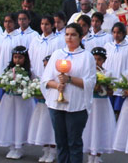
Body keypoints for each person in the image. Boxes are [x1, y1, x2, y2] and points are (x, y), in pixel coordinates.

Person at [41, 24, 97, 163]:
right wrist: (57, 85)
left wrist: (70, 79)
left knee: (74, 142)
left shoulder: (86, 56)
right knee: (61, 142)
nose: (69, 37)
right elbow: (45, 80)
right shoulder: (57, 54)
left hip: (76, 105)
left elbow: (90, 83)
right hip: (56, 105)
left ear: (80, 36)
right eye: (67, 34)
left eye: (73, 34)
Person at [0, 46, 36, 159]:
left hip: (22, 102)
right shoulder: (9, 70)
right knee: (9, 121)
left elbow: (33, 84)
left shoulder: (30, 72)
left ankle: (19, 146)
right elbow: (4, 82)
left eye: (20, 57)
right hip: (9, 100)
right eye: (15, 57)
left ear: (25, 58)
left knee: (20, 121)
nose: (17, 60)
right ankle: (11, 146)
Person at [84, 47, 116, 163]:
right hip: (91, 103)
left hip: (102, 104)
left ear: (104, 60)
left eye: (99, 60)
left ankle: (97, 155)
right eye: (94, 59)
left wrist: (105, 87)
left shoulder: (108, 73)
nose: (96, 62)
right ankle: (89, 155)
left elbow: (111, 91)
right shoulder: (87, 73)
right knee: (89, 127)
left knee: (100, 127)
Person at [0, 13, 27, 100]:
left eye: (10, 21)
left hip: (12, 73)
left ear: (15, 23)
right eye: (6, 21)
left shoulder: (19, 37)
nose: (7, 24)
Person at [30, 54, 58, 163]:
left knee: (52, 129)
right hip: (41, 107)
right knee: (43, 128)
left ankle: (52, 151)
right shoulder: (41, 77)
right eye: (44, 66)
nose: (46, 68)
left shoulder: (56, 79)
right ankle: (45, 151)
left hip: (52, 107)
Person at [103, 23, 128, 114]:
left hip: (121, 83)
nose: (116, 35)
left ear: (124, 33)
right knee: (108, 110)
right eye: (114, 32)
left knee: (119, 111)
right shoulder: (108, 46)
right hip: (109, 83)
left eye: (119, 33)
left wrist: (127, 83)